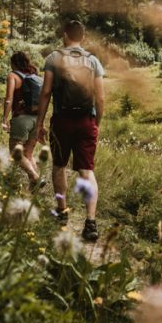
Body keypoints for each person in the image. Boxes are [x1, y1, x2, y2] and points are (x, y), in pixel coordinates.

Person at [35, 19, 104, 242]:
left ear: (65, 35)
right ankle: (91, 222)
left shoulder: (53, 58)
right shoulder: (93, 61)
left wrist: (39, 124)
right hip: (86, 120)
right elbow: (100, 97)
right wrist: (97, 123)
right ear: (82, 37)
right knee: (87, 171)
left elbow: (45, 93)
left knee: (59, 166)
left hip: (62, 119)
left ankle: (62, 212)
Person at [0, 51, 43, 189]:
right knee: (28, 154)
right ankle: (35, 187)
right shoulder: (35, 77)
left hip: (21, 119)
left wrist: (5, 118)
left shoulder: (13, 76)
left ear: (14, 63)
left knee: (15, 152)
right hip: (36, 119)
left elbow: (9, 99)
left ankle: (34, 176)